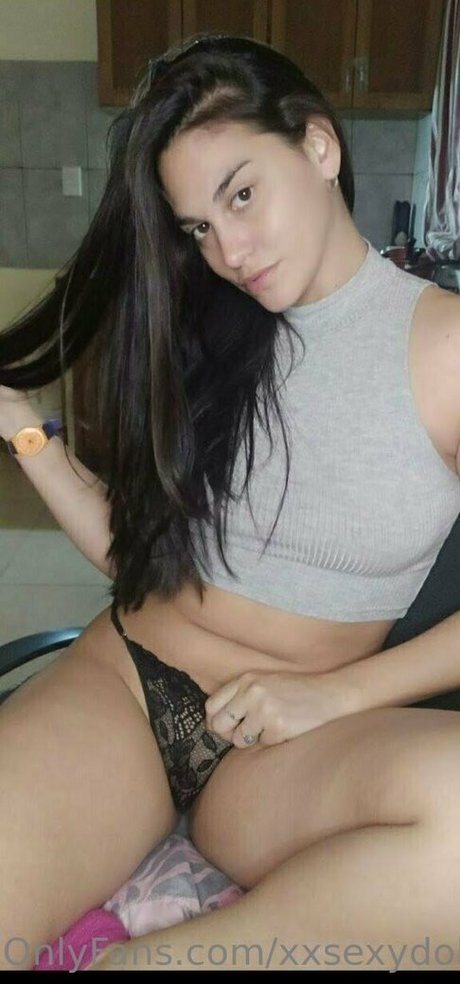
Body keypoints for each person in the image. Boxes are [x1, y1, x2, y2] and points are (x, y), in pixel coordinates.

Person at [1, 32, 460, 973]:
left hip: (282, 752)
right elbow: (138, 558)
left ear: (318, 146)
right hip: (125, 691)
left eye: (240, 194)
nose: (229, 251)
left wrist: (334, 695)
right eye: (198, 228)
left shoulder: (446, 348)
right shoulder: (215, 334)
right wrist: (23, 429)